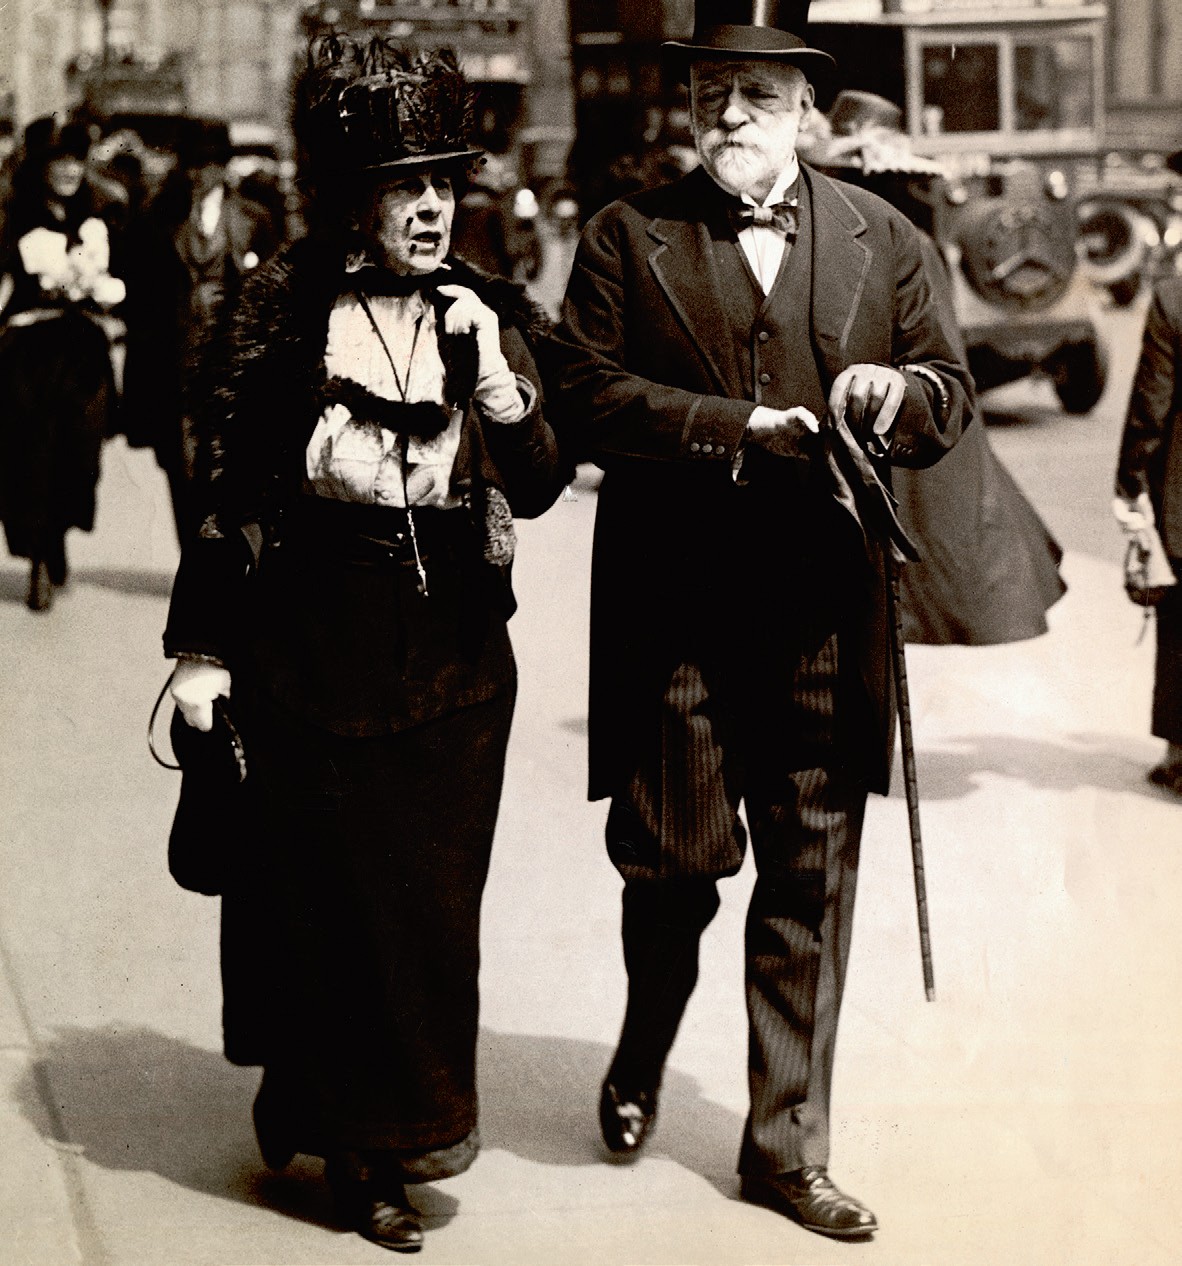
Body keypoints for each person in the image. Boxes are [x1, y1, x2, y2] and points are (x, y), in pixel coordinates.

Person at [546, 0, 974, 1242]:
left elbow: (949, 394)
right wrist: (733, 431)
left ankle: (787, 1148)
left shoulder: (885, 237)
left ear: (808, 117)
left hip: (827, 614)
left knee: (810, 878)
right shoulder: (629, 235)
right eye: (710, 95)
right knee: (673, 868)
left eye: (757, 97)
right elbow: (585, 393)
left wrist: (899, 390)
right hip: (675, 616)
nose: (728, 115)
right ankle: (643, 1046)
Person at [162, 38, 564, 1253]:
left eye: (444, 183)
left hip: (455, 662)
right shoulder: (285, 317)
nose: (432, 207)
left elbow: (543, 482)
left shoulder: (484, 313)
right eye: (405, 187)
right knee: (331, 902)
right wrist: (202, 651)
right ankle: (354, 1150)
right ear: (354, 201)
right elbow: (229, 494)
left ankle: (402, 1123)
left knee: (430, 914)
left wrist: (500, 387)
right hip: (313, 648)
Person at [801, 89, 1066, 645]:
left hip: (905, 424)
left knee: (924, 548)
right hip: (875, 425)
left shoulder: (906, 244)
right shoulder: (854, 240)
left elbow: (939, 357)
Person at [121, 119, 280, 542]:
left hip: (232, 364)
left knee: (232, 468)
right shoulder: (159, 218)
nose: (200, 174)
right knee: (182, 470)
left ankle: (220, 556)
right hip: (175, 366)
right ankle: (191, 554)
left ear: (223, 167)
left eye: (210, 165)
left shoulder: (254, 218)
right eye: (194, 165)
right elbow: (138, 293)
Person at [0, 115, 125, 610]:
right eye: (60, 161)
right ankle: (37, 554)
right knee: (31, 454)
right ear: (41, 166)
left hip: (82, 353)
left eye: (76, 161)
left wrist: (101, 291)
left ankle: (58, 535)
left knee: (79, 455)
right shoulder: (14, 216)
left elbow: (123, 280)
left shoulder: (99, 215)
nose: (70, 171)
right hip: (29, 352)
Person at [1115, 273, 1182, 793]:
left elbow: (1151, 403)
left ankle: (1179, 754)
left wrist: (1132, 483)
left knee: (1180, 621)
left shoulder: (1175, 297)